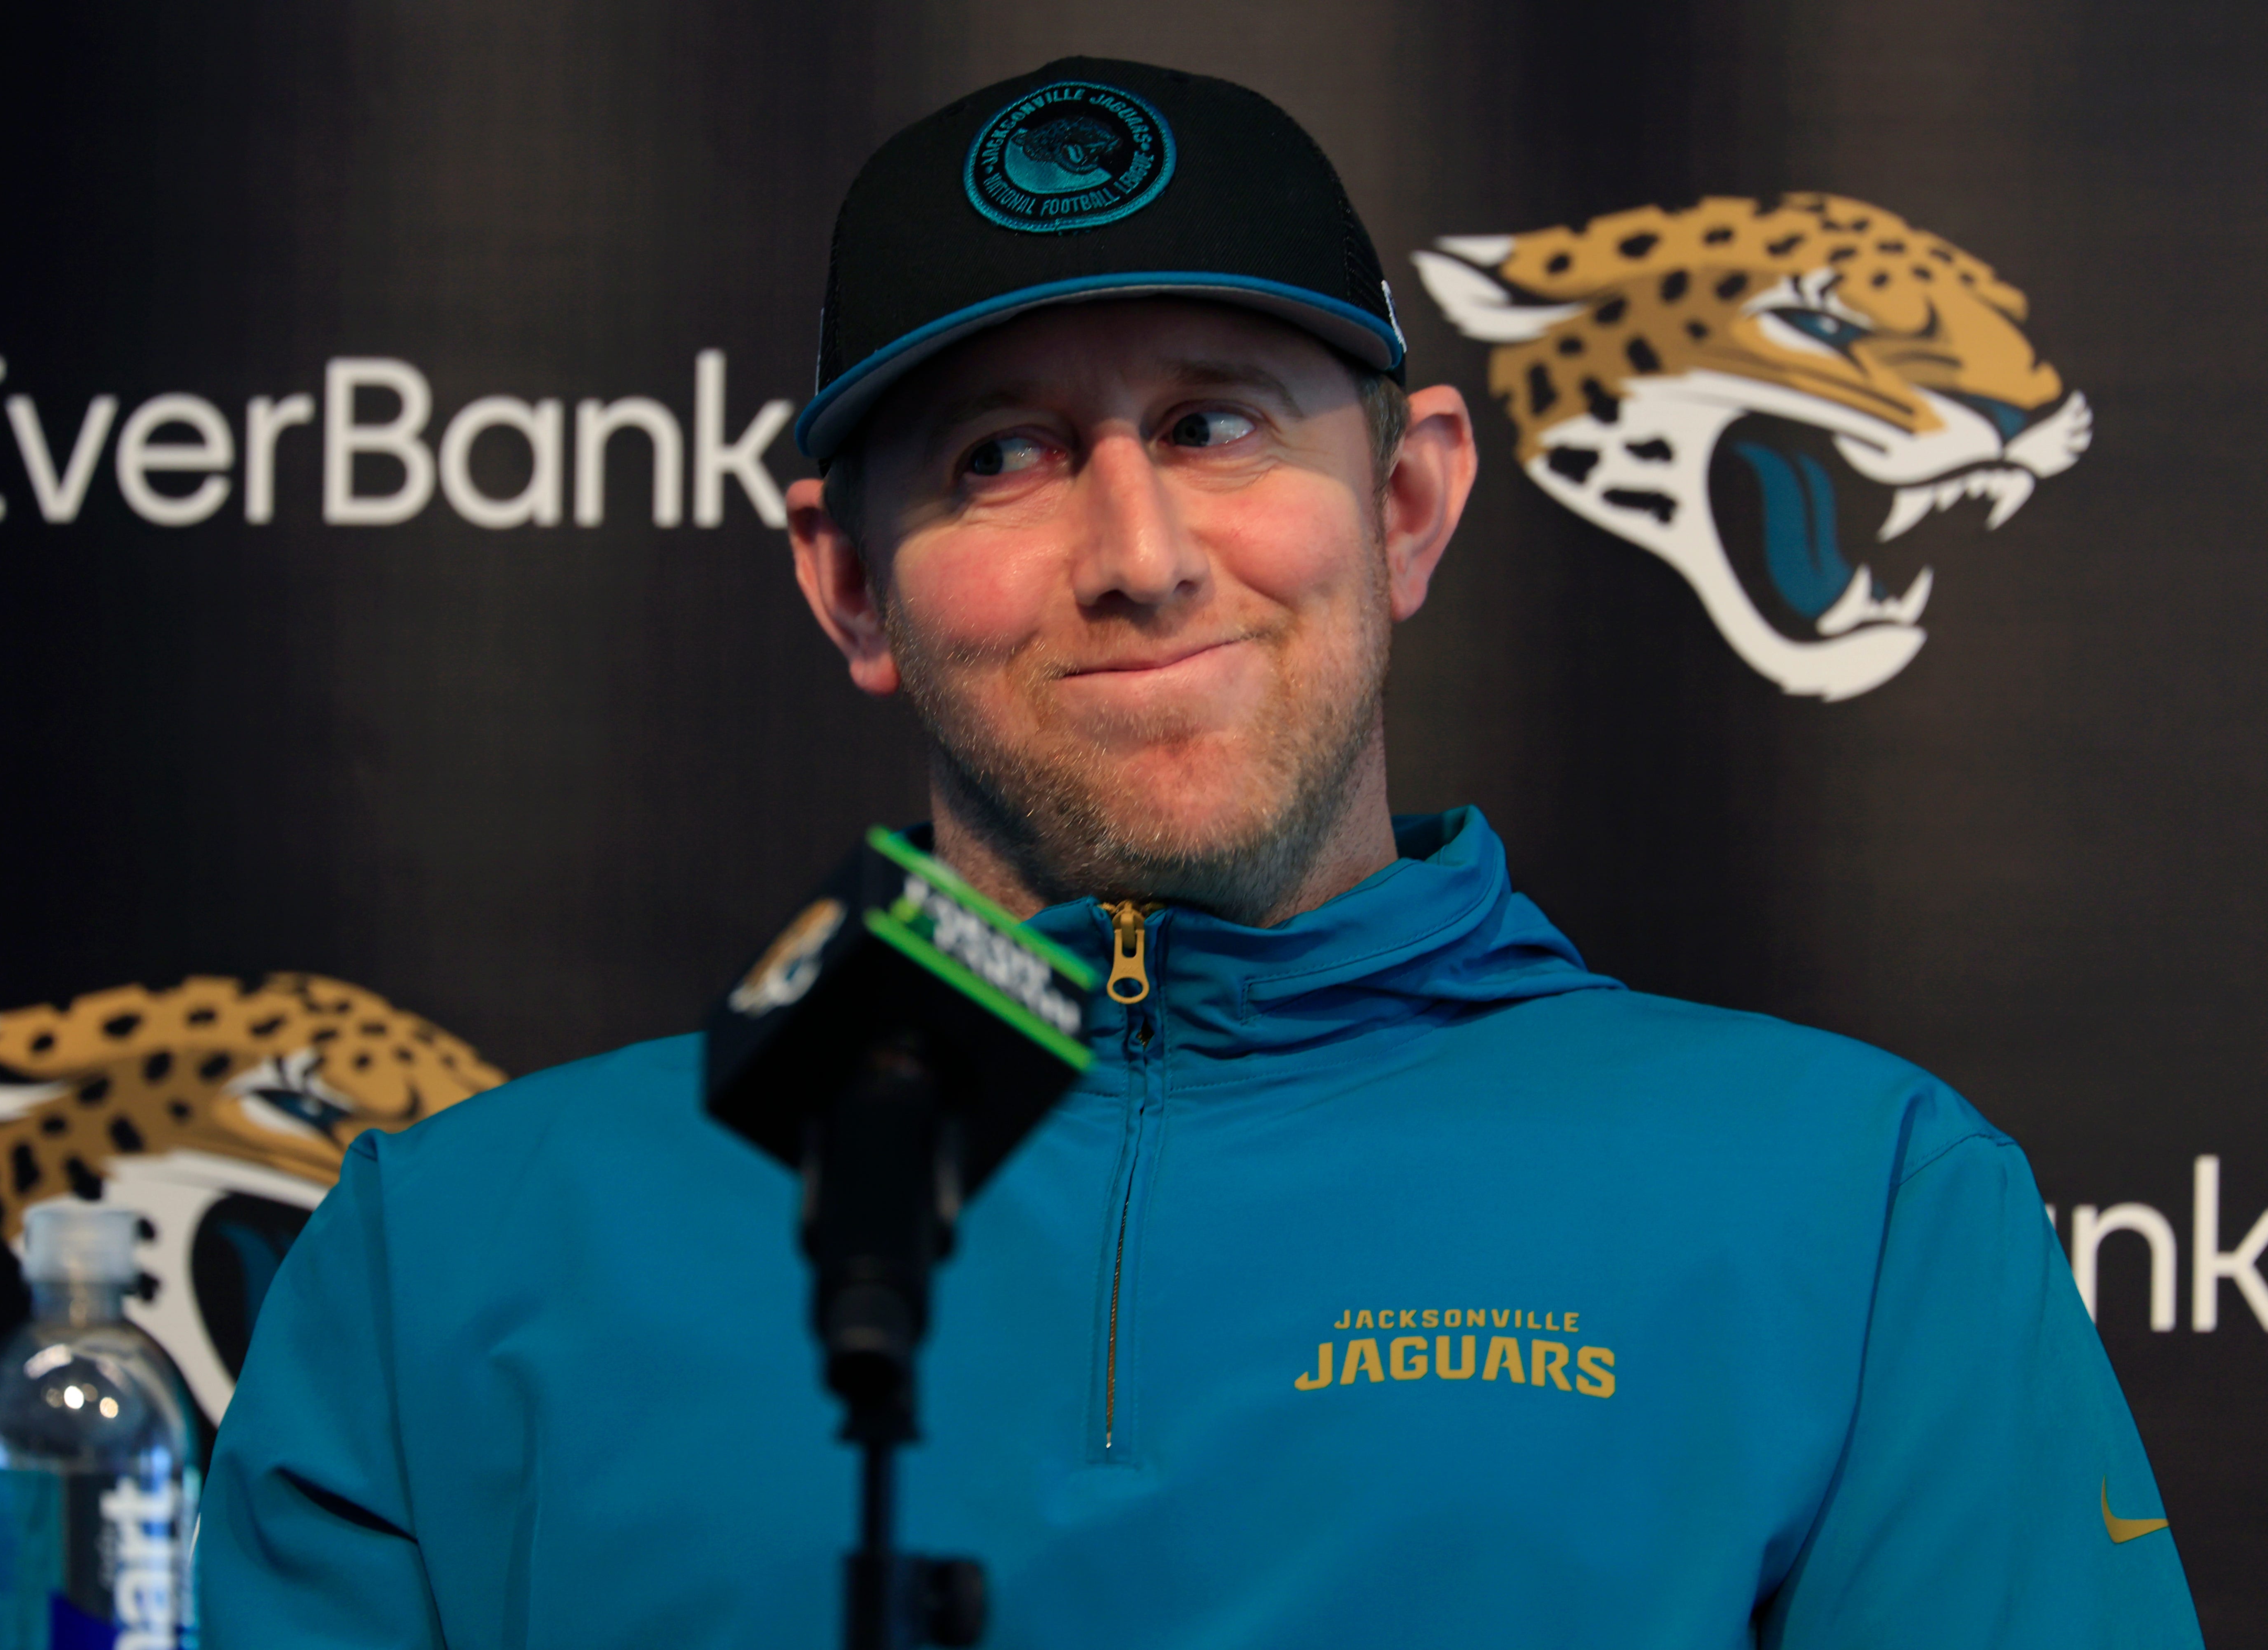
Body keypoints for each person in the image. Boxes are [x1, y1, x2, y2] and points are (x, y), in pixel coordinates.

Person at [197, 58, 2203, 1647]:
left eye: (1221, 424)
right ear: (849, 580)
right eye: (1003, 456)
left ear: (1409, 504)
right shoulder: (444, 1262)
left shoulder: (1854, 1208)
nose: (1141, 554)